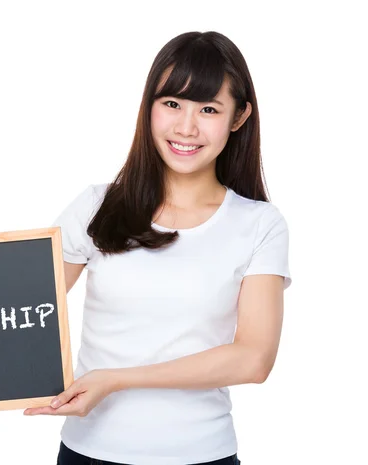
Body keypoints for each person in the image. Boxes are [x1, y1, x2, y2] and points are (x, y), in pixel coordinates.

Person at [21, 31, 291, 464]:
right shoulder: (97, 207)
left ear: (238, 117)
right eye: (172, 104)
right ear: (148, 107)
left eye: (208, 109)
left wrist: (117, 380)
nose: (187, 127)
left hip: (203, 456)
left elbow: (253, 359)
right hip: (88, 453)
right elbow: (13, 317)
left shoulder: (259, 224)